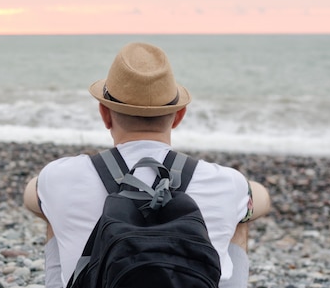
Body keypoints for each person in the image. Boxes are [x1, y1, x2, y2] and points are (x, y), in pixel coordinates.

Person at [23, 42, 271, 288]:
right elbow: (261, 199)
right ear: (179, 116)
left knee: (53, 213)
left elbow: (31, 198)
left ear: (104, 114)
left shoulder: (59, 176)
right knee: (240, 220)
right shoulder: (226, 183)